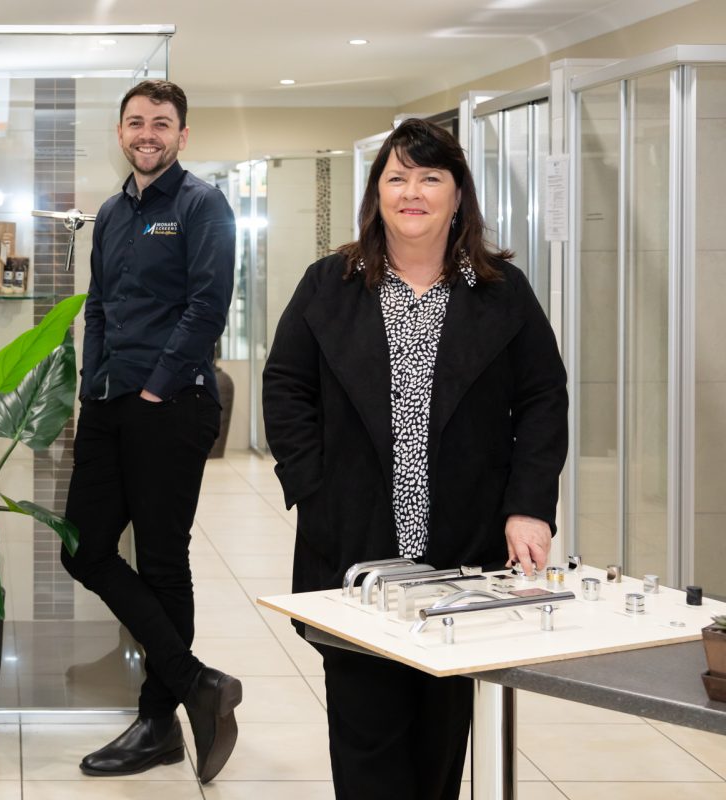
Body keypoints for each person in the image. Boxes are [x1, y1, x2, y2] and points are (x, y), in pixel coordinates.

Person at [262, 118, 568, 799]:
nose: (413, 192)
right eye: (396, 177)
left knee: (440, 735)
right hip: (353, 545)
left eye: (430, 177)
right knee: (365, 731)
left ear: (458, 196)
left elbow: (544, 397)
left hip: (464, 544)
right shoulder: (328, 285)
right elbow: (285, 385)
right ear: (376, 194)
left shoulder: (502, 293)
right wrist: (314, 486)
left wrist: (528, 505)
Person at [60, 79, 241, 784]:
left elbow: (207, 306)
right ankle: (196, 681)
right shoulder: (111, 212)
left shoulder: (202, 205)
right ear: (121, 132)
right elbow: (99, 307)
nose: (147, 133)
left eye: (161, 123)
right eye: (136, 122)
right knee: (87, 548)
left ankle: (157, 722)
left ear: (182, 136)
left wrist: (155, 384)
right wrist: (91, 389)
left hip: (173, 403)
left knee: (163, 559)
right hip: (110, 403)